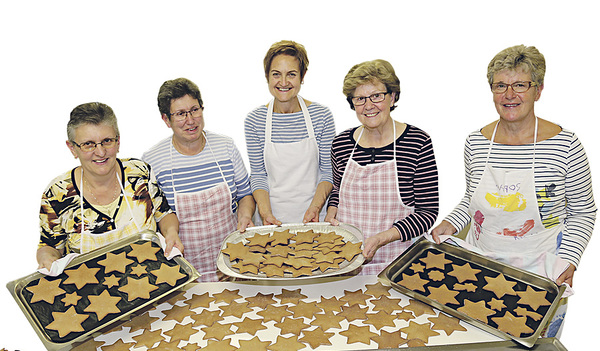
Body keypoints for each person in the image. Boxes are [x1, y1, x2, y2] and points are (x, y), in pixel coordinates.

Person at [431, 45, 596, 337]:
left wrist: (569, 258)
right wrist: (451, 223)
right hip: (479, 264)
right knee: (479, 338)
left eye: (520, 85)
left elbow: (583, 211)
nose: (509, 95)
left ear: (538, 89)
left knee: (532, 340)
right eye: (500, 86)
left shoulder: (565, 146)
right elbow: (472, 198)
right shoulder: (477, 142)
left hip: (540, 269)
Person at [325, 59, 439, 275]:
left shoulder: (417, 142)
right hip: (346, 261)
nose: (368, 105)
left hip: (399, 263)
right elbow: (337, 192)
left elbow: (428, 212)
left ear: (392, 96)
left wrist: (382, 238)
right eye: (360, 98)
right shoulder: (341, 144)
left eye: (376, 96)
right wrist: (332, 212)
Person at [38, 102, 183, 270]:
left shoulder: (139, 173)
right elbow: (48, 246)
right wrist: (47, 259)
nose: (100, 152)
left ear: (118, 142)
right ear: (72, 148)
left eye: (107, 141)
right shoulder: (57, 193)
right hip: (91, 292)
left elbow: (164, 214)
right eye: (88, 144)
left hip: (152, 282)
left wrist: (171, 233)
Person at [143, 78, 255, 281]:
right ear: (166, 120)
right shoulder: (153, 161)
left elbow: (245, 194)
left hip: (234, 260)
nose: (190, 120)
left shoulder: (225, 146)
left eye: (194, 110)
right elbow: (157, 214)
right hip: (185, 269)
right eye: (180, 114)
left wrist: (245, 217)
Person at [244, 40, 336, 225]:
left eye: (291, 74)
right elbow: (259, 175)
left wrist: (315, 208)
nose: (283, 82)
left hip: (314, 218)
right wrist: (265, 214)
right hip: (272, 218)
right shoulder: (254, 120)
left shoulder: (321, 116)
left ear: (303, 76)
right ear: (267, 76)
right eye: (276, 74)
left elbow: (327, 172)